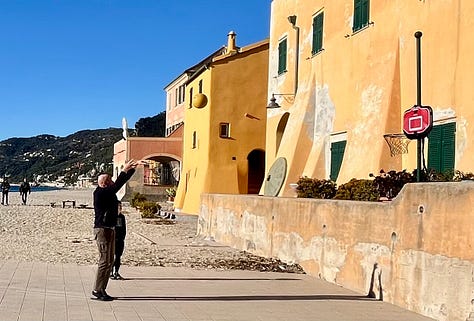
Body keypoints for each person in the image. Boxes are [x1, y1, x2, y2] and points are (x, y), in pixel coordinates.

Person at [92, 159, 139, 301]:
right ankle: (96, 290)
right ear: (105, 183)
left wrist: (131, 169)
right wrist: (124, 170)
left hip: (110, 229)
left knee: (110, 261)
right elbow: (118, 184)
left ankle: (102, 289)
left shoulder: (108, 192)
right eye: (110, 180)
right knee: (104, 261)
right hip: (102, 230)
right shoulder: (100, 193)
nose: (113, 182)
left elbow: (120, 183)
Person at [110, 201, 126, 280]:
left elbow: (123, 229)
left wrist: (122, 238)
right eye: (118, 207)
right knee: (112, 257)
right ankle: (110, 272)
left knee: (118, 257)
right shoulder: (111, 216)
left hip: (120, 240)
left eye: (120, 207)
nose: (119, 209)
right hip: (112, 240)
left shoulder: (122, 217)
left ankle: (116, 271)